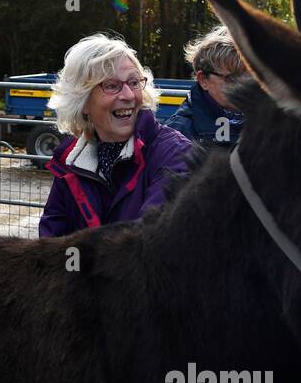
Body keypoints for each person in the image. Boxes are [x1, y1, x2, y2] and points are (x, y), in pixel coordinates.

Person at [38, 34, 193, 237]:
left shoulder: (175, 155)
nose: (128, 95)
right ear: (82, 101)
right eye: (111, 85)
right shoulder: (70, 163)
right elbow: (51, 247)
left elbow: (149, 246)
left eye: (134, 82)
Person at [167, 25, 246, 148]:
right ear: (203, 80)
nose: (244, 85)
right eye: (232, 78)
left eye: (249, 77)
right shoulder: (179, 135)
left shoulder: (270, 121)